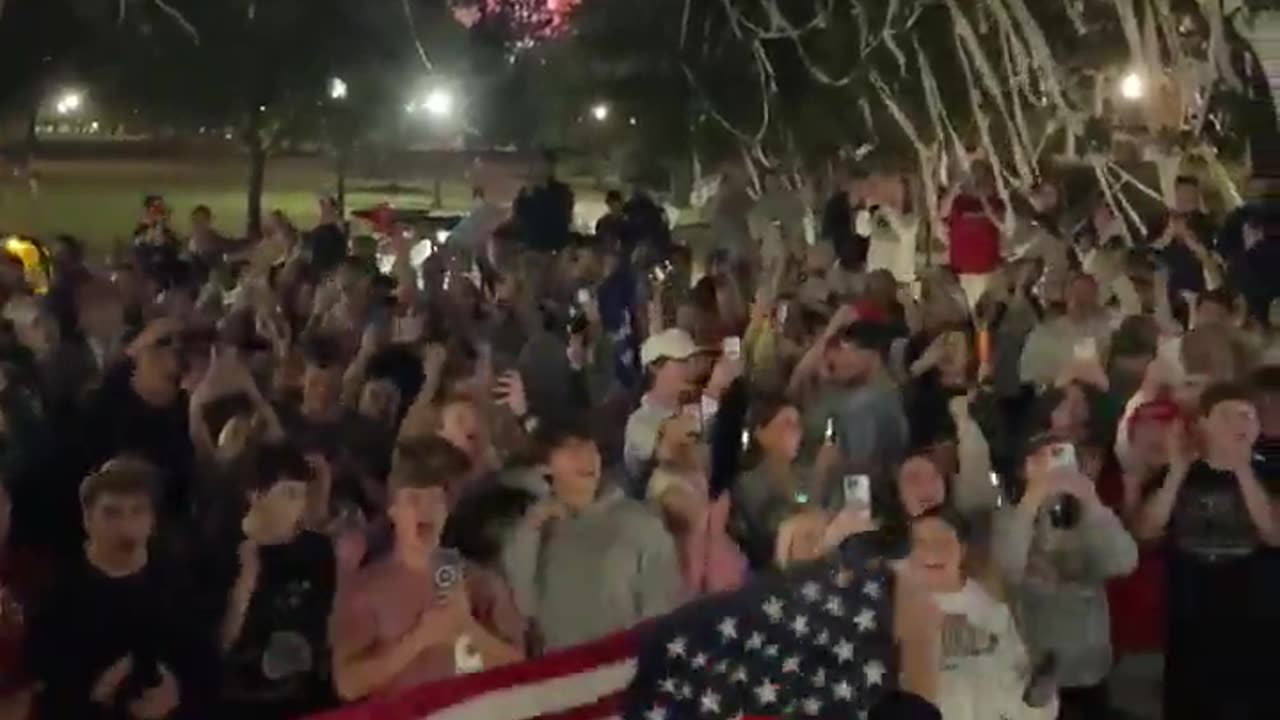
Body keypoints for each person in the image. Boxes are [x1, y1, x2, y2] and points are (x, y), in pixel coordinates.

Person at [332, 437, 523, 701]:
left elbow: (522, 666)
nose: (426, 509)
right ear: (393, 510)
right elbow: (348, 685)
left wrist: (468, 630)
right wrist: (420, 639)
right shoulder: (366, 589)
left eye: (435, 499)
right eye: (413, 499)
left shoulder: (481, 581)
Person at [1133, 382, 1278, 719]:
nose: (1240, 424)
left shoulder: (1270, 470)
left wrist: (1243, 468)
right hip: (1189, 618)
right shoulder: (1174, 474)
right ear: (1202, 424)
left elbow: (1273, 532)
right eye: (1228, 415)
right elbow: (1145, 532)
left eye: (1248, 416)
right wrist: (1177, 471)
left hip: (1256, 623)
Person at [25, 459, 213, 719]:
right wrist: (101, 697)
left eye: (138, 511)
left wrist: (176, 695)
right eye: (112, 513)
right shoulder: (56, 589)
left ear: (152, 520)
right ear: (88, 520)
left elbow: (203, 663)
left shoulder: (175, 578)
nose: (127, 525)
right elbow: (48, 689)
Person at [503, 419, 681, 651]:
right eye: (573, 450)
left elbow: (662, 601)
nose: (587, 457)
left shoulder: (639, 520)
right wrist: (532, 528)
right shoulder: (533, 531)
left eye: (591, 448)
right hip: (562, 670)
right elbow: (524, 606)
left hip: (624, 664)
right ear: (544, 467)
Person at [992, 436, 1138, 719]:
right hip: (1033, 674)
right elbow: (1006, 567)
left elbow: (1124, 563)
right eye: (1045, 459)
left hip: (1089, 670)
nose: (1056, 468)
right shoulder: (1010, 516)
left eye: (1064, 458)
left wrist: (1090, 500)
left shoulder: (1092, 516)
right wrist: (1034, 495)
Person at [218, 444, 337, 718]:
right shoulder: (223, 550)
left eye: (302, 495)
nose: (299, 505)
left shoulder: (317, 550)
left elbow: (328, 625)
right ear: (255, 494)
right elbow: (215, 647)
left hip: (304, 700)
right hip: (239, 704)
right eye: (289, 494)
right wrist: (245, 584)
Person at [908, 507, 1056, 720]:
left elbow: (1028, 702)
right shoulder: (896, 614)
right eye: (920, 544)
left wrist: (1038, 699)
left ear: (963, 549)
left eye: (942, 542)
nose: (931, 552)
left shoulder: (996, 608)